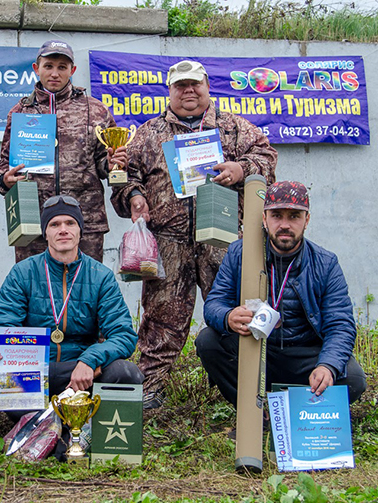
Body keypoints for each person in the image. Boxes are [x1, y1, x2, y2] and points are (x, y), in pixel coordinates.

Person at [110, 60, 278, 409]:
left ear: (207, 87)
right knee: (160, 322)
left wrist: (240, 169)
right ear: (170, 91)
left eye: (194, 84)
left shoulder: (233, 128)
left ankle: (249, 390)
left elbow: (267, 158)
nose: (188, 91)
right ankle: (150, 391)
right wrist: (134, 195)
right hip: (168, 244)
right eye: (180, 85)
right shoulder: (148, 133)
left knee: (238, 315)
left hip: (224, 242)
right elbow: (125, 178)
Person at [195, 181, 366, 405]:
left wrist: (327, 366)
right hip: (255, 348)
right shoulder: (239, 253)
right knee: (208, 341)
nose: (284, 225)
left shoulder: (326, 263)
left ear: (307, 220)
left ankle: (297, 410)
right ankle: (254, 411)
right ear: (264, 219)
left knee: (353, 378)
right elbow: (214, 303)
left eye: (294, 216)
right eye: (276, 216)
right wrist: (228, 317)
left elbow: (340, 324)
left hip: (304, 355)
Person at [0, 195, 143, 408]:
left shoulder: (101, 276)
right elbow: (2, 323)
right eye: (54, 224)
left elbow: (123, 334)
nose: (63, 230)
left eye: (70, 223)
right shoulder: (23, 272)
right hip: (34, 371)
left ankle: (77, 415)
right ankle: (38, 420)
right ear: (45, 233)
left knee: (126, 373)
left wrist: (89, 360)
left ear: (80, 231)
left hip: (80, 373)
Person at [0, 40, 127, 263]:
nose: (55, 73)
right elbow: (3, 167)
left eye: (62, 67)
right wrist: (6, 181)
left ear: (72, 70)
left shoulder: (95, 110)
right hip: (33, 222)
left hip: (85, 222)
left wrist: (114, 164)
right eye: (48, 66)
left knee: (85, 283)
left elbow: (105, 165)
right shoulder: (20, 112)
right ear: (36, 68)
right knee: (34, 283)